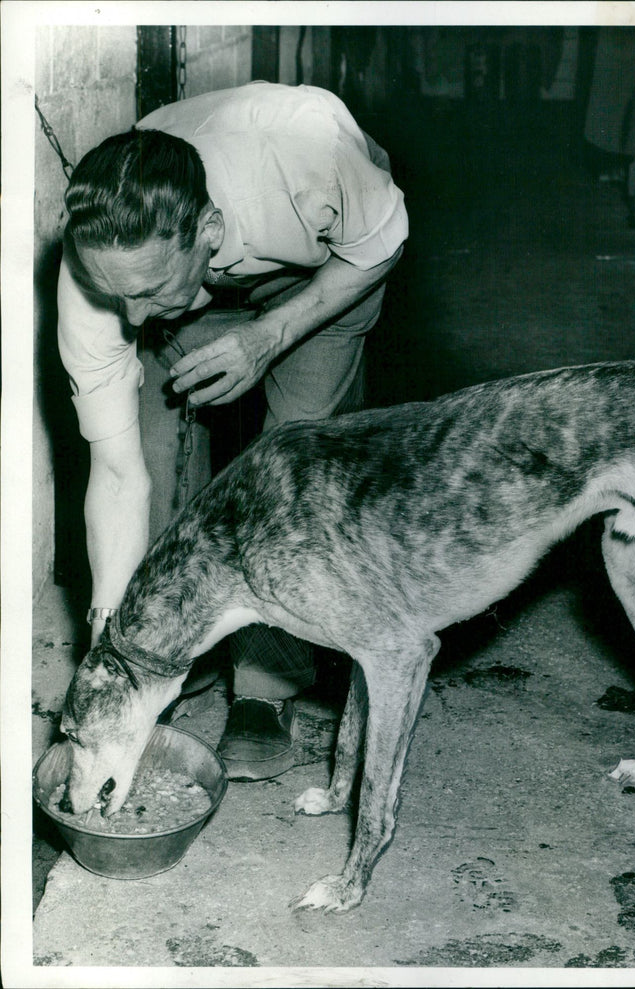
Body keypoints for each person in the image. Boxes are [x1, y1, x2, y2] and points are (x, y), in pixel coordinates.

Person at [57, 81, 408, 780]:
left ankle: (265, 690)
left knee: (290, 486)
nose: (129, 320)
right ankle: (152, 669)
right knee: (150, 463)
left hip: (325, 271)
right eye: (113, 296)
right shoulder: (105, 275)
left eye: (146, 291)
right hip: (197, 293)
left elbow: (383, 243)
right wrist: (108, 625)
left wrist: (268, 336)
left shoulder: (309, 157)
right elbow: (119, 471)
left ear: (208, 233)